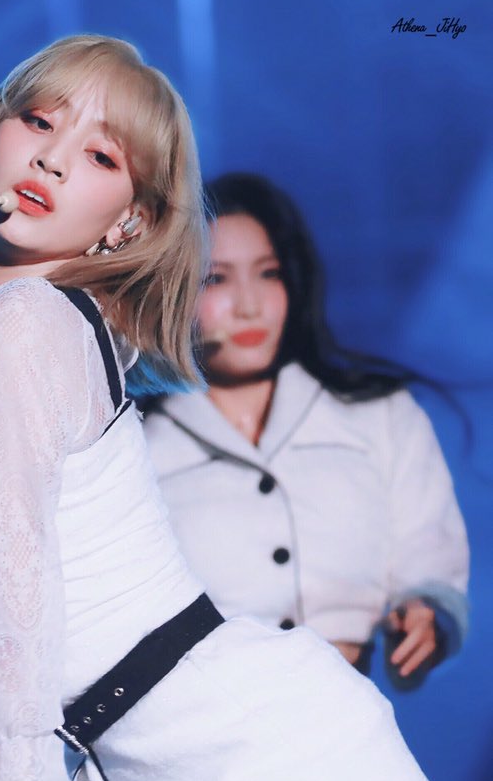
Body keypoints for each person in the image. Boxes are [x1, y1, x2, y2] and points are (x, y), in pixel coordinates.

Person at [0, 37, 456, 781]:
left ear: (128, 222)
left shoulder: (29, 327)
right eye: (39, 120)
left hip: (276, 770)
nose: (53, 157)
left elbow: (12, 629)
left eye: (101, 155)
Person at [144, 172, 469, 683]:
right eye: (216, 279)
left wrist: (427, 610)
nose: (249, 305)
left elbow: (429, 552)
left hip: (346, 713)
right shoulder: (136, 441)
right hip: (199, 715)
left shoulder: (380, 414)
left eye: (269, 273)